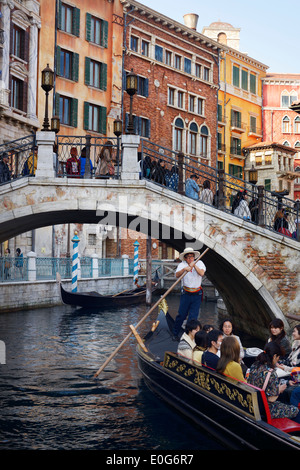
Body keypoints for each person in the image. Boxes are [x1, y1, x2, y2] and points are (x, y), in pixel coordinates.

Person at [247, 342, 300, 423]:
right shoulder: (271, 373)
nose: (278, 360)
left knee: (284, 402)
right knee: (295, 410)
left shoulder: (255, 365)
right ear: (274, 356)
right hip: (265, 408)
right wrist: (279, 389)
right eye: (278, 357)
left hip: (253, 403)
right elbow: (271, 399)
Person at [172, 247, 206, 340]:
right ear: (185, 258)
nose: (190, 259)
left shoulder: (199, 263)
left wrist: (194, 265)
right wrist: (184, 269)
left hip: (197, 294)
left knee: (193, 318)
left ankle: (190, 337)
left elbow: (202, 273)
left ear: (194, 257)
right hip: (186, 293)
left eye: (191, 257)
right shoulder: (182, 264)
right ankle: (175, 333)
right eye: (188, 257)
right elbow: (177, 275)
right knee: (181, 315)